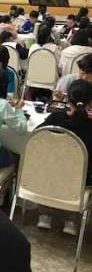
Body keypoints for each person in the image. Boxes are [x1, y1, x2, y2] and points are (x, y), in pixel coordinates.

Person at [36, 80, 92, 236]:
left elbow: (37, 137)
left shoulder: (55, 118)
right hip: (79, 180)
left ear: (68, 99)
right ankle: (71, 220)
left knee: (49, 167)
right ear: (90, 102)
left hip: (51, 174)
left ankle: (44, 214)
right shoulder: (89, 126)